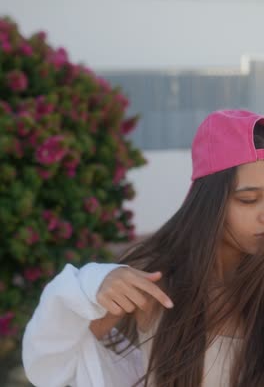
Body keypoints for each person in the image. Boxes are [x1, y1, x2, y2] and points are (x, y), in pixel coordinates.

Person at [22, 109, 264, 387]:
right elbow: (51, 364)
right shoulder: (154, 282)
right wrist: (92, 285)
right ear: (209, 202)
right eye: (248, 199)